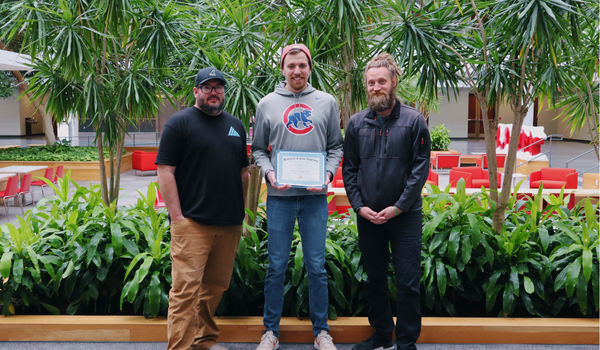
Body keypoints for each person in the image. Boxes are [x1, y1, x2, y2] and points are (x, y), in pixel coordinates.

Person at [251, 44, 343, 350]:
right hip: (280, 197)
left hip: (315, 198)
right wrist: (269, 173)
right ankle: (270, 332)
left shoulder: (327, 102)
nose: (297, 71)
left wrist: (328, 174)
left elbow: (336, 147)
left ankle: (322, 332)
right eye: (291, 66)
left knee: (316, 265)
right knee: (276, 266)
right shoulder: (267, 104)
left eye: (302, 65)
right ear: (282, 68)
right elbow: (258, 150)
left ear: (310, 67)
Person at [156, 67, 250, 350]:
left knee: (214, 288)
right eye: (206, 87)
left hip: (229, 223)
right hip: (193, 223)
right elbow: (165, 171)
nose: (213, 92)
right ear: (196, 91)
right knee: (185, 291)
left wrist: (241, 213)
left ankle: (204, 341)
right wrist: (177, 218)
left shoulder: (236, 125)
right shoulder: (179, 123)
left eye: (218, 87)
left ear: (223, 92)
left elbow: (243, 174)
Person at [342, 53, 430, 350]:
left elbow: (420, 171)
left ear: (393, 82)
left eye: (381, 81)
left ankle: (406, 342)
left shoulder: (414, 121)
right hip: (368, 216)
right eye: (371, 82)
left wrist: (399, 207)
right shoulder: (355, 124)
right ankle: (381, 334)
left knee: (407, 282)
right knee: (374, 279)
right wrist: (358, 206)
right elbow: (349, 169)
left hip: (404, 216)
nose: (376, 87)